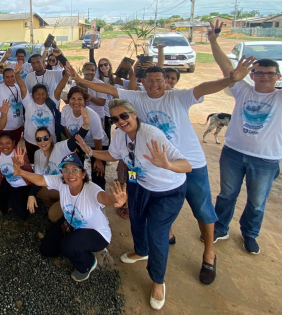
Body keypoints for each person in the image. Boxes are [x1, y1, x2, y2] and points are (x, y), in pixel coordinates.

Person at [67, 56, 256, 284]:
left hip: (189, 163)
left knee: (202, 210)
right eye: (150, 80)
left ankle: (208, 253)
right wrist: (78, 79)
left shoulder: (178, 97)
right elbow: (108, 88)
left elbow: (204, 87)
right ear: (143, 82)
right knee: (139, 205)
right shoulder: (136, 99)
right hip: (146, 167)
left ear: (167, 81)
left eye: (159, 80)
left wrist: (229, 79)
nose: (154, 84)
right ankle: (155, 242)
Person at [208, 21, 282, 254]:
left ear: (278, 76)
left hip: (265, 159)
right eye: (258, 72)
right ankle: (220, 228)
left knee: (257, 201)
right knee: (227, 194)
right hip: (234, 153)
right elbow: (226, 66)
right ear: (253, 74)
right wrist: (213, 41)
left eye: (269, 73)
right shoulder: (243, 89)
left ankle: (250, 234)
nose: (264, 77)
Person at [79, 99, 192, 309]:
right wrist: (91, 152)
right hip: (138, 184)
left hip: (167, 191)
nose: (120, 121)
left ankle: (158, 281)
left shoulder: (152, 135)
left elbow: (187, 166)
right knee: (137, 221)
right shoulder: (120, 136)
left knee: (157, 234)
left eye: (124, 116)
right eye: (115, 119)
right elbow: (114, 155)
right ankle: (141, 251)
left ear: (134, 114)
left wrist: (166, 164)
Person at [13, 152, 127, 282]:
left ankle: (88, 263)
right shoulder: (61, 181)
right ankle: (74, 246)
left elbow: (104, 198)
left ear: (83, 174)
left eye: (75, 170)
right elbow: (40, 179)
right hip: (72, 223)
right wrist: (21, 172)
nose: (70, 174)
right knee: (46, 249)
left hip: (97, 233)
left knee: (68, 246)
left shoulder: (91, 189)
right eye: (66, 170)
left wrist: (114, 200)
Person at [29, 108, 92, 222]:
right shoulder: (37, 154)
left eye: (45, 138)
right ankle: (60, 208)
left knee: (52, 215)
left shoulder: (59, 148)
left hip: (68, 188)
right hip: (55, 187)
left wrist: (85, 126)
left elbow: (74, 141)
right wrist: (30, 195)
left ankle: (68, 213)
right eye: (39, 139)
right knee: (40, 192)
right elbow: (37, 177)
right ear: (36, 142)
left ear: (50, 138)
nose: (42, 142)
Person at [15, 64, 69, 159]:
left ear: (47, 94)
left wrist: (67, 75)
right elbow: (23, 87)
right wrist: (17, 74)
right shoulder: (28, 103)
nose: (41, 96)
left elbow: (59, 88)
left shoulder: (52, 102)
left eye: (43, 94)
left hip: (49, 141)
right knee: (33, 164)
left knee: (50, 163)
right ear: (32, 95)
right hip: (31, 141)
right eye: (37, 94)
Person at [61, 86, 105, 187]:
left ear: (85, 101)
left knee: (98, 172)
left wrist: (98, 159)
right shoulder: (65, 110)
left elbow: (98, 139)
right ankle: (79, 190)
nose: (76, 102)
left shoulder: (93, 117)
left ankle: (99, 194)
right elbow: (65, 128)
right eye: (73, 98)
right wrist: (72, 146)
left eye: (80, 99)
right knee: (76, 169)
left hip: (96, 144)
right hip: (78, 143)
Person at [0, 61, 25, 147]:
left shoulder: (18, 87)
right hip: (5, 127)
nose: (10, 79)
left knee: (14, 146)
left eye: (12, 76)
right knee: (3, 148)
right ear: (3, 78)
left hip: (18, 126)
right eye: (7, 77)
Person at [0, 137, 33, 220]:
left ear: (13, 143)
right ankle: (8, 204)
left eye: (8, 143)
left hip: (23, 184)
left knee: (20, 211)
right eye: (1, 143)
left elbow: (31, 171)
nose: (4, 146)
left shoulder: (19, 152)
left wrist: (23, 164)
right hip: (8, 181)